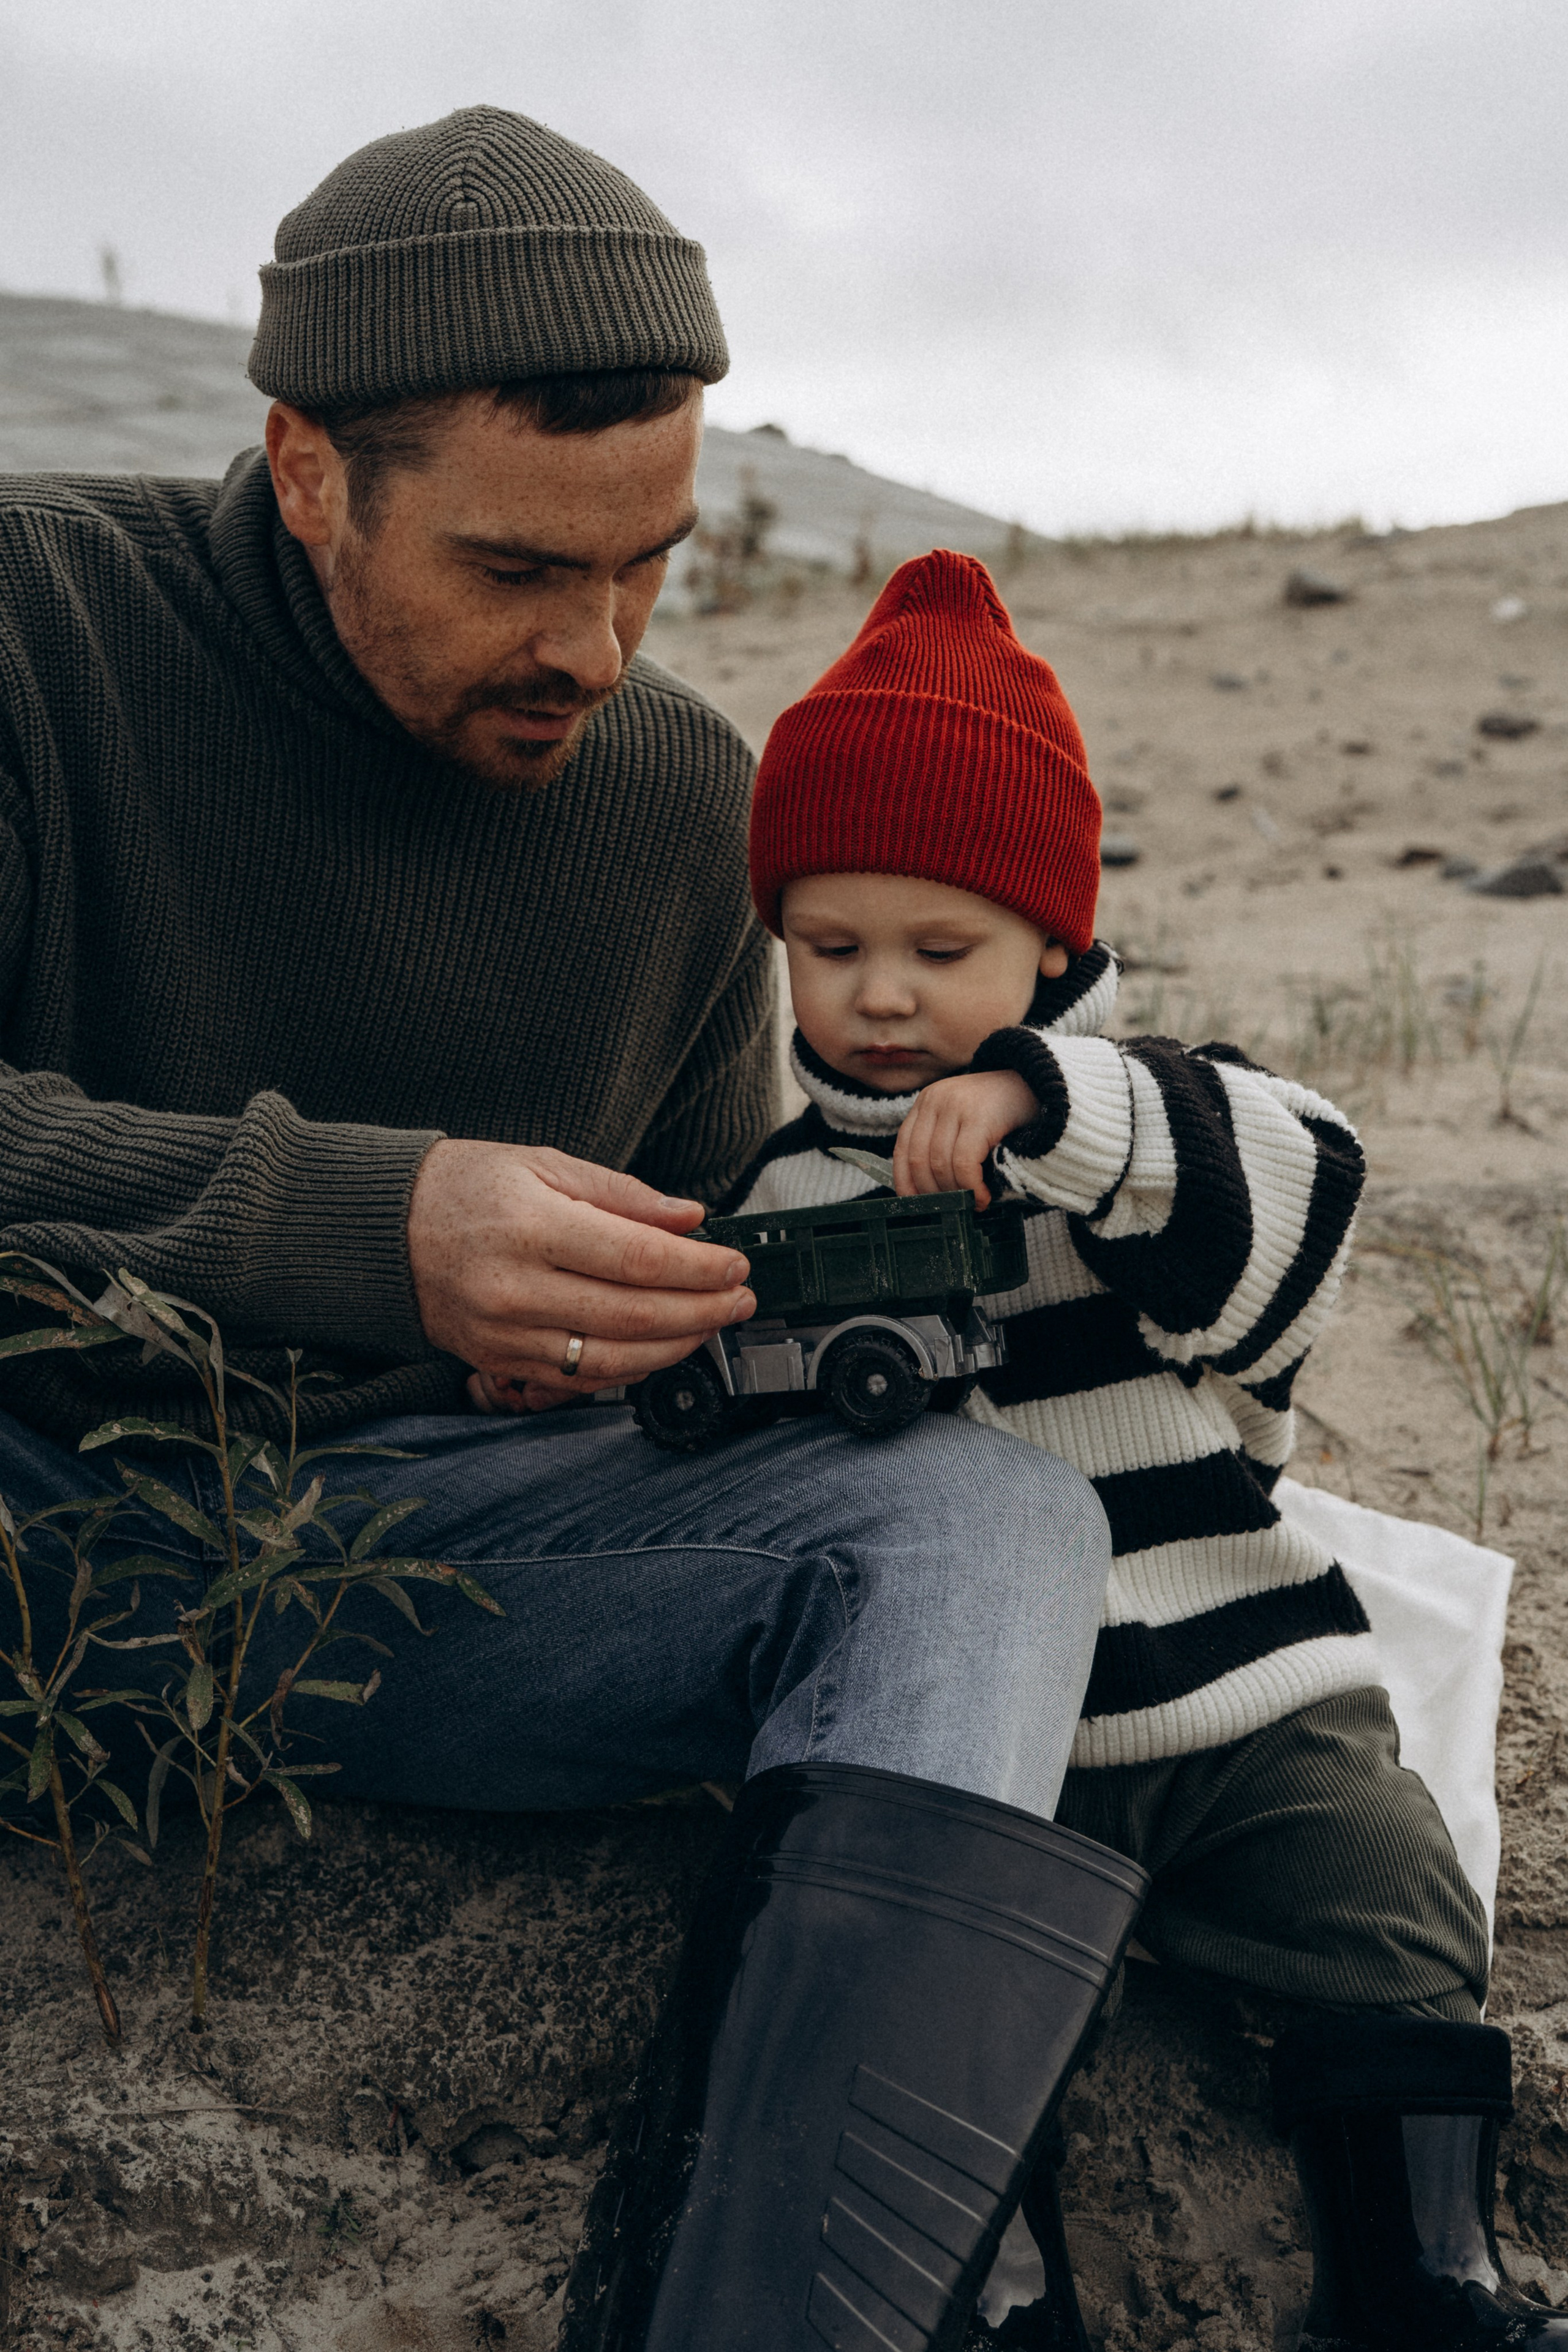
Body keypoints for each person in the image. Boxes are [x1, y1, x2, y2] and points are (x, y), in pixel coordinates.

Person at [0, 110, 1140, 2351]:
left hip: (371, 1568)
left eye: (650, 568)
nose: (600, 649)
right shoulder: (40, 632)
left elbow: (710, 1306)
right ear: (313, 469)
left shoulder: (678, 812)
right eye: (522, 569)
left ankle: (783, 2304)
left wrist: (651, 1332)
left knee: (984, 1539)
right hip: (24, 1498)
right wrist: (363, 1219)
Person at [631, 545, 1554, 2352]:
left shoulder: (1146, 1143)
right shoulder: (784, 1190)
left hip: (1243, 1700)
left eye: (945, 951)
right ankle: (998, 2296)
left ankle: (1423, 2274)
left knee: (1388, 1898)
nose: (885, 998)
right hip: (994, 1751)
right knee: (940, 2013)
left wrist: (1046, 1099)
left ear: (1055, 944)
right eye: (833, 949)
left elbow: (1303, 1186)